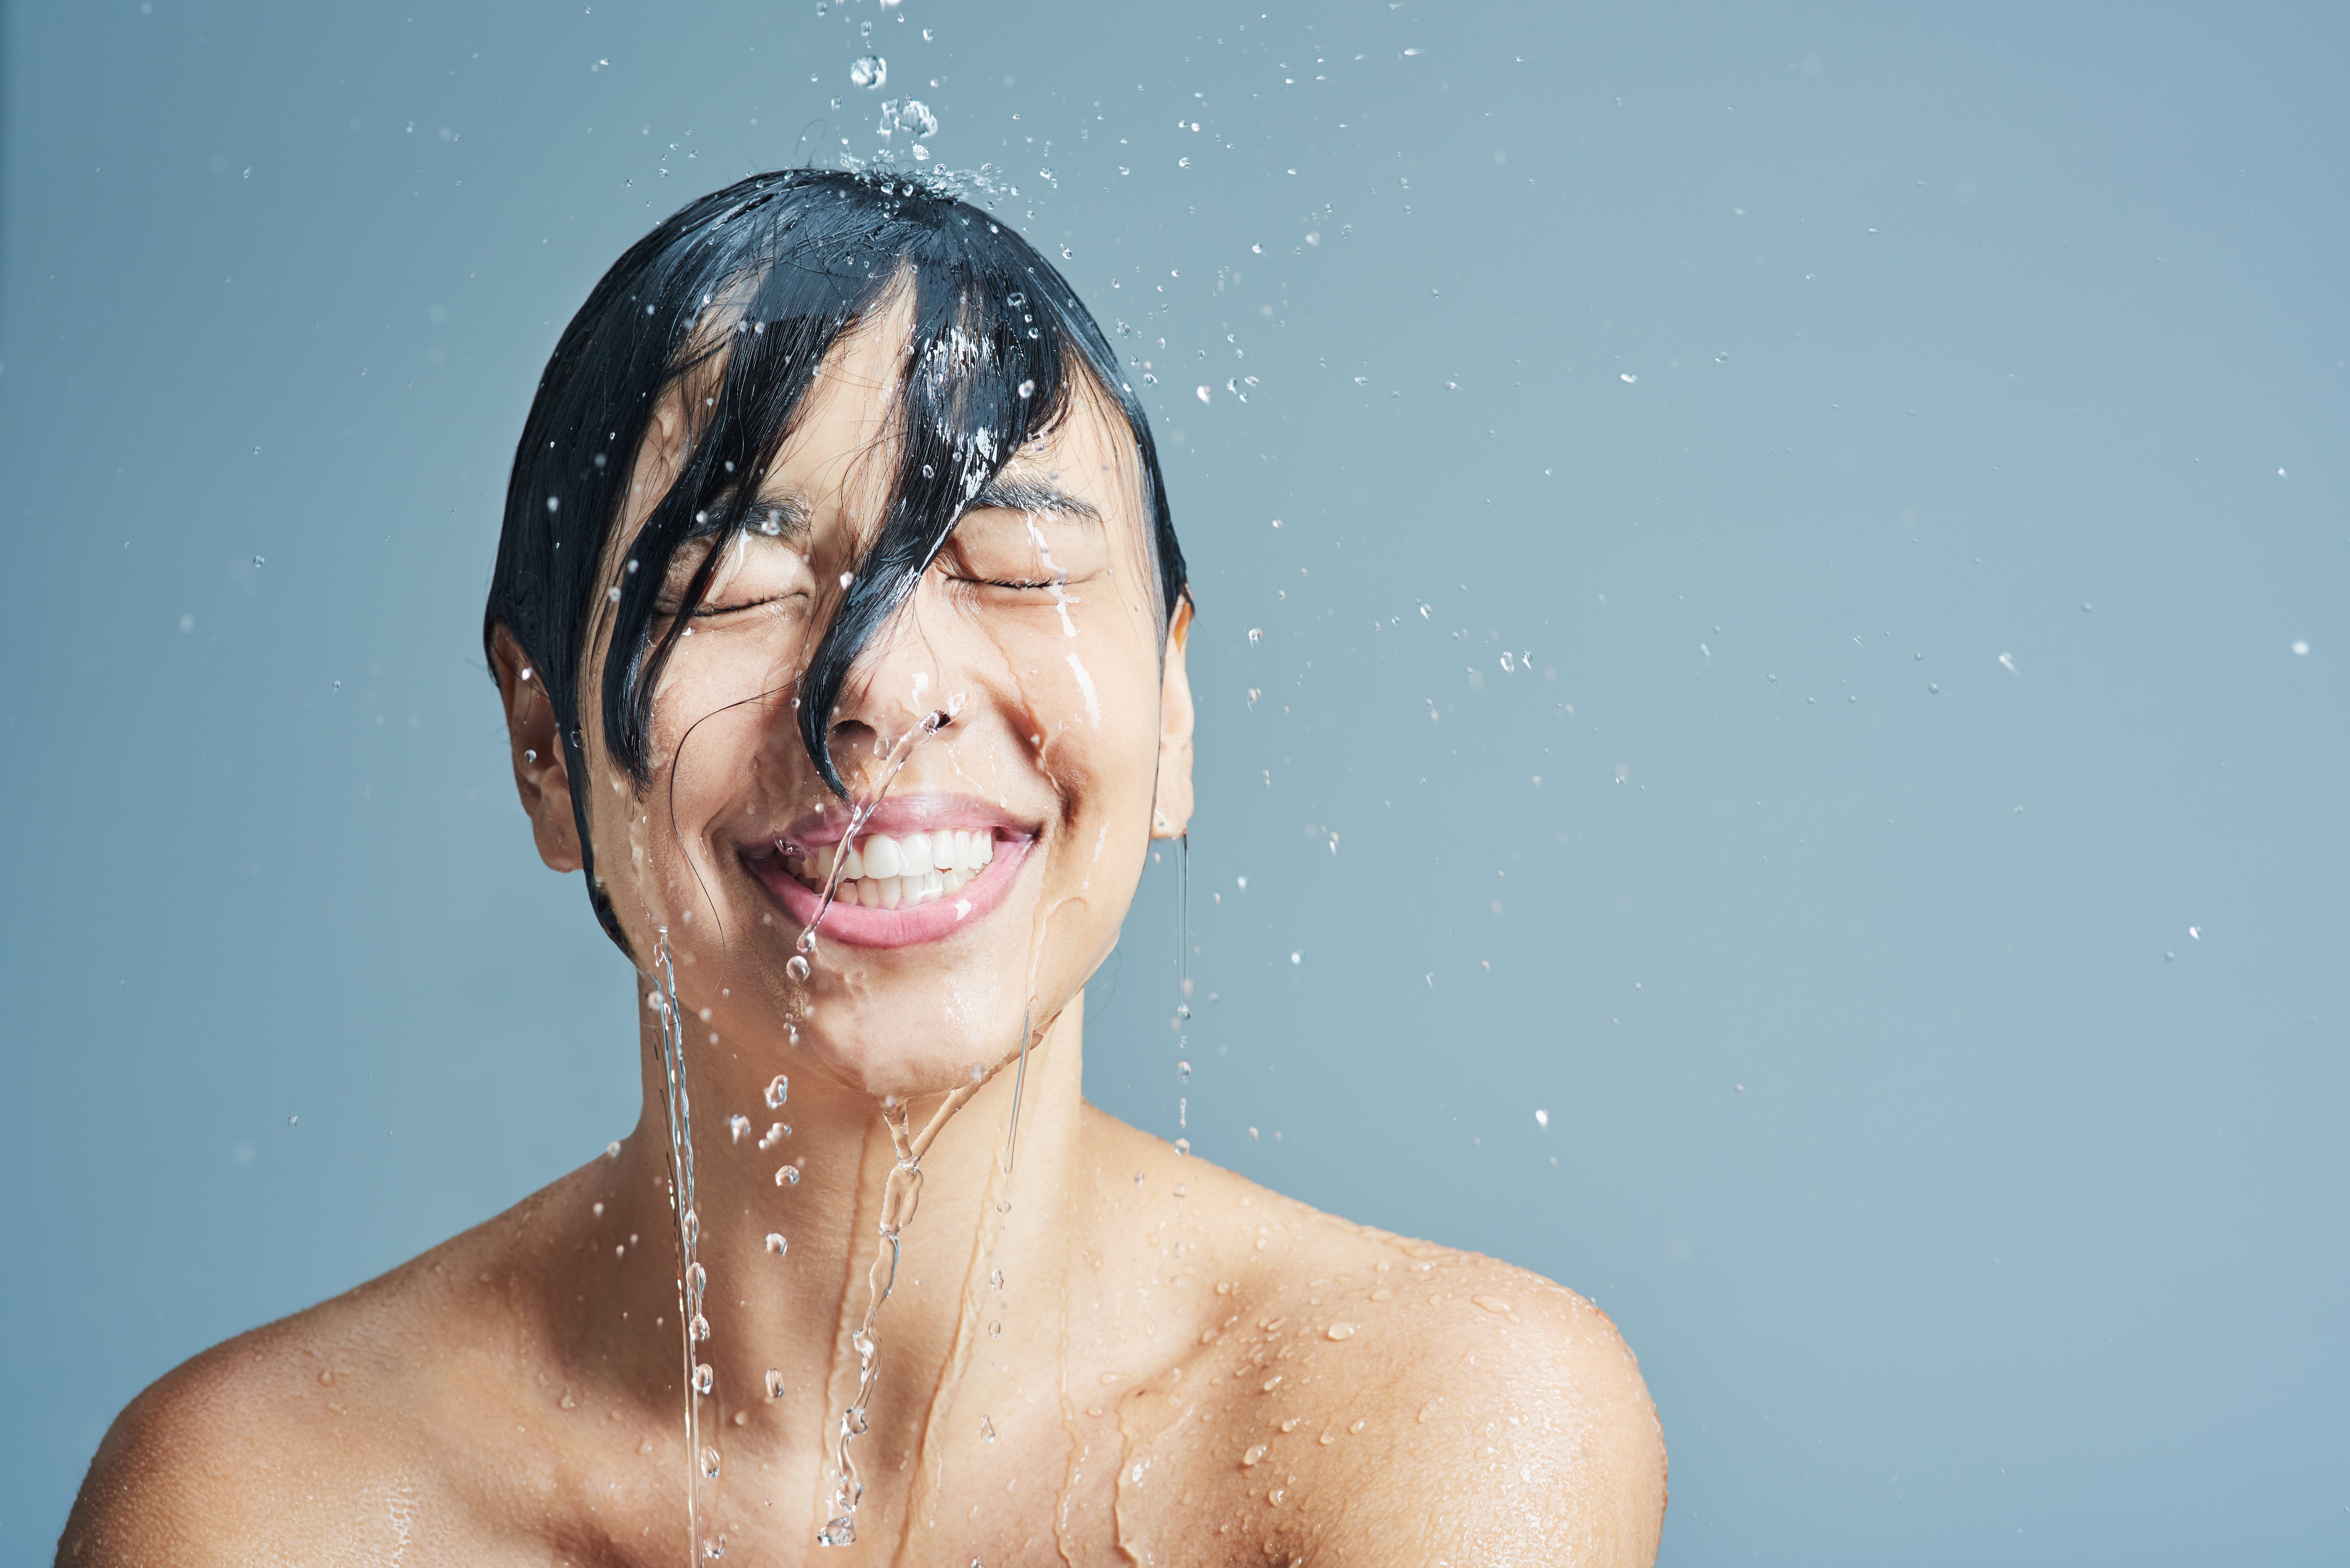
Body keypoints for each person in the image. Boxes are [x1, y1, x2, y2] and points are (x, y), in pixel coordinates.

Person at [58, 169, 1665, 1566]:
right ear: (545, 745)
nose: (884, 687)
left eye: (1016, 560)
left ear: (1172, 714)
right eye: (734, 580)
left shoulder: (1440, 1418)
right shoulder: (267, 1503)